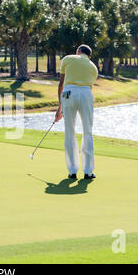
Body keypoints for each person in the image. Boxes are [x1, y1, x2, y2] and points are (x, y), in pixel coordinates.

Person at [54, 45, 98, 180]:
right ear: (88, 55)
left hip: (68, 93)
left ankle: (72, 171)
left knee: (69, 131)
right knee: (87, 131)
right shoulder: (93, 67)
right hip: (86, 94)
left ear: (78, 52)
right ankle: (88, 172)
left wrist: (59, 107)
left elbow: (61, 84)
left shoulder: (67, 59)